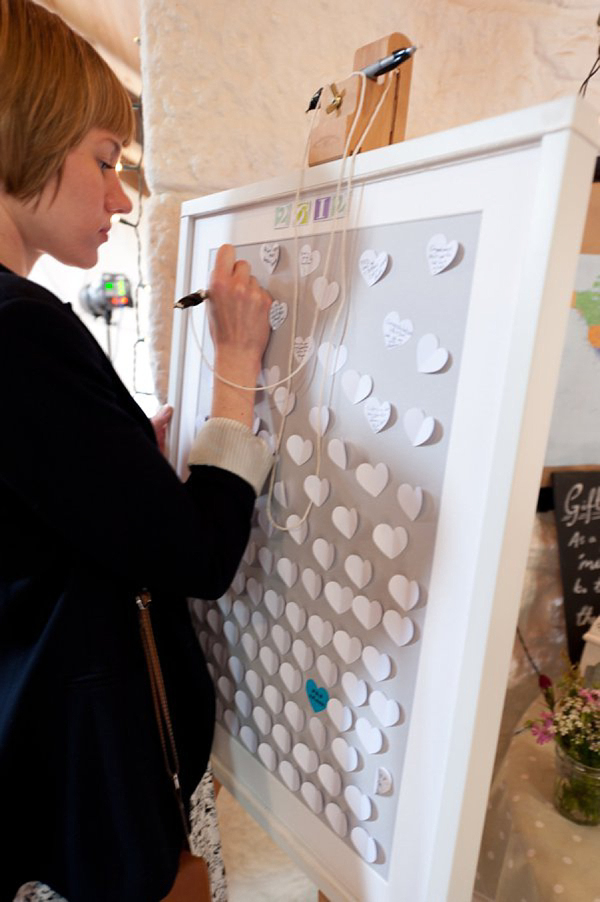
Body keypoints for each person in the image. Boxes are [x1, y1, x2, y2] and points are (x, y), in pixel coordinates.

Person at [0, 2, 273, 900]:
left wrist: (124, 478)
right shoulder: (21, 332)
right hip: (92, 784)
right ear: (25, 135)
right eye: (106, 160)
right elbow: (198, 557)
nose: (121, 200)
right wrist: (237, 365)